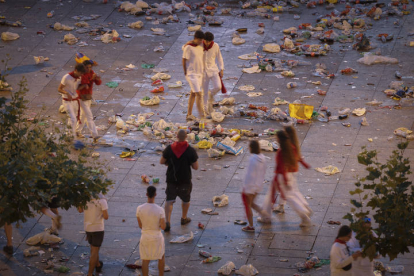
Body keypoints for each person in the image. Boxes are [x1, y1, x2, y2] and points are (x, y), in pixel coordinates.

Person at [160, 129, 199, 232]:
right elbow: (195, 167)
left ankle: (167, 222)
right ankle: (184, 218)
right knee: (186, 200)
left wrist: (169, 161)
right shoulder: (190, 150)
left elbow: (161, 161)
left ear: (177, 137)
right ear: (186, 137)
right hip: (185, 180)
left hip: (172, 179)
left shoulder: (169, 149)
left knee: (169, 201)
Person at [271, 130, 312, 227]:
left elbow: (281, 167)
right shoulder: (292, 147)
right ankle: (306, 208)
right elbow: (298, 157)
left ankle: (304, 215)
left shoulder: (281, 152)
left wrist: (284, 180)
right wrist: (305, 164)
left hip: (283, 176)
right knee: (295, 192)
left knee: (290, 198)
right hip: (291, 173)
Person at [136, 186, 166, 276]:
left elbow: (140, 225)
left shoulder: (139, 208)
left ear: (146, 194)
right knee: (161, 257)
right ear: (155, 195)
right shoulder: (160, 210)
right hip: (157, 237)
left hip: (145, 237)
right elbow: (163, 227)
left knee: (145, 260)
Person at [78, 194, 108, 276]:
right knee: (94, 252)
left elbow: (80, 210)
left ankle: (97, 264)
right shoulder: (102, 200)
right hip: (98, 228)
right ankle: (90, 274)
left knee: (94, 248)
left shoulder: (84, 198)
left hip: (88, 228)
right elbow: (106, 216)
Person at [240, 141, 267, 232]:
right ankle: (264, 214)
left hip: (250, 186)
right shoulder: (262, 158)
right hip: (258, 185)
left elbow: (249, 175)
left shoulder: (252, 159)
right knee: (252, 204)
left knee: (248, 205)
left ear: (251, 148)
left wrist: (246, 189)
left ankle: (251, 226)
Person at [58, 64, 87, 140]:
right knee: (72, 118)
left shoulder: (79, 77)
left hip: (75, 100)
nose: (81, 75)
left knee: (73, 119)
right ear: (76, 70)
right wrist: (66, 93)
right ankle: (72, 136)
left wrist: (84, 86)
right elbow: (59, 89)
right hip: (67, 100)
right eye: (80, 73)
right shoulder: (66, 77)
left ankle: (69, 134)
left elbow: (78, 87)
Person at [75, 60, 101, 143]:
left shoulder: (91, 72)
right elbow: (85, 84)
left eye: (90, 67)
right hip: (81, 97)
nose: (89, 69)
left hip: (88, 97)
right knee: (89, 116)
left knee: (83, 116)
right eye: (87, 67)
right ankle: (95, 135)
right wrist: (91, 79)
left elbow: (98, 83)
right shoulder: (81, 75)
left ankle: (77, 131)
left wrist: (97, 79)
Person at [182, 30, 205, 121]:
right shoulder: (189, 48)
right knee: (199, 94)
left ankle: (189, 114)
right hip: (191, 74)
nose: (200, 42)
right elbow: (184, 59)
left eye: (201, 40)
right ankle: (202, 115)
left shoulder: (201, 45)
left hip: (199, 73)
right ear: (195, 38)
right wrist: (185, 71)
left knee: (193, 93)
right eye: (199, 40)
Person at [201, 32, 225, 115]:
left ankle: (210, 94)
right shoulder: (199, 46)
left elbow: (219, 58)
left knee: (218, 86)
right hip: (203, 71)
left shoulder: (216, 46)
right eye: (206, 41)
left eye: (209, 42)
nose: (207, 43)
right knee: (204, 91)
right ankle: (205, 109)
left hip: (213, 69)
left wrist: (221, 69)